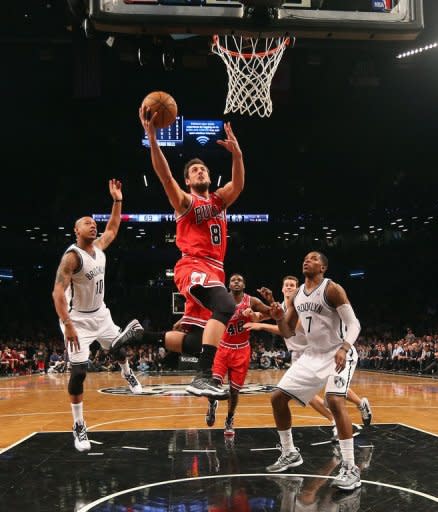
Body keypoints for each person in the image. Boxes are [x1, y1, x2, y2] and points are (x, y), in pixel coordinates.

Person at [139, 107, 245, 399]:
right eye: (194, 170)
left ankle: (142, 335)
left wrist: (237, 155)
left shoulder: (220, 200)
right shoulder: (184, 201)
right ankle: (204, 376)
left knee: (199, 340)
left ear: (210, 176)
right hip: (193, 265)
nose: (200, 171)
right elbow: (163, 175)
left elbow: (238, 184)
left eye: (204, 169)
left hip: (216, 268)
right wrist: (152, 137)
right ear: (187, 180)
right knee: (226, 306)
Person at [52, 179, 144, 452]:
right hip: (76, 319)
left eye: (94, 222)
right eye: (87, 223)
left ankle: (127, 374)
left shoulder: (99, 248)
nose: (93, 225)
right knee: (79, 373)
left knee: (120, 349)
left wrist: (117, 200)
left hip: (100, 314)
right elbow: (57, 293)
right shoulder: (72, 257)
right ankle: (79, 425)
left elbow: (113, 228)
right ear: (76, 230)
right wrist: (67, 325)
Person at [267, 251, 362, 491]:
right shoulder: (298, 294)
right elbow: (288, 331)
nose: (307, 260)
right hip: (312, 355)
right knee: (277, 397)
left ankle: (350, 467)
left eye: (313, 258)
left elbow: (354, 324)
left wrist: (344, 347)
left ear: (323, 267)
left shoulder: (332, 289)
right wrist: (278, 318)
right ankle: (289, 453)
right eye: (305, 258)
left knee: (334, 400)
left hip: (339, 352)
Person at [244, 275, 372, 433]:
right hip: (299, 354)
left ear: (297, 288)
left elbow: (292, 330)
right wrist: (250, 313)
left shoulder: (302, 305)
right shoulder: (281, 306)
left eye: (292, 285)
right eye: (287, 285)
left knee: (332, 391)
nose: (289, 287)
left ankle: (355, 408)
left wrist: (261, 326)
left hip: (313, 351)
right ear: (282, 289)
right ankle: (339, 417)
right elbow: (262, 316)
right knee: (314, 395)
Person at [205, 273, 271, 437]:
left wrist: (257, 317)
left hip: (241, 349)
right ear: (228, 285)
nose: (236, 282)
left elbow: (272, 313)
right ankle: (212, 404)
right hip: (222, 347)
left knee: (234, 392)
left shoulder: (252, 301)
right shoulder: (221, 300)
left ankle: (229, 419)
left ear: (244, 285)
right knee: (212, 385)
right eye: (233, 280)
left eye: (239, 280)